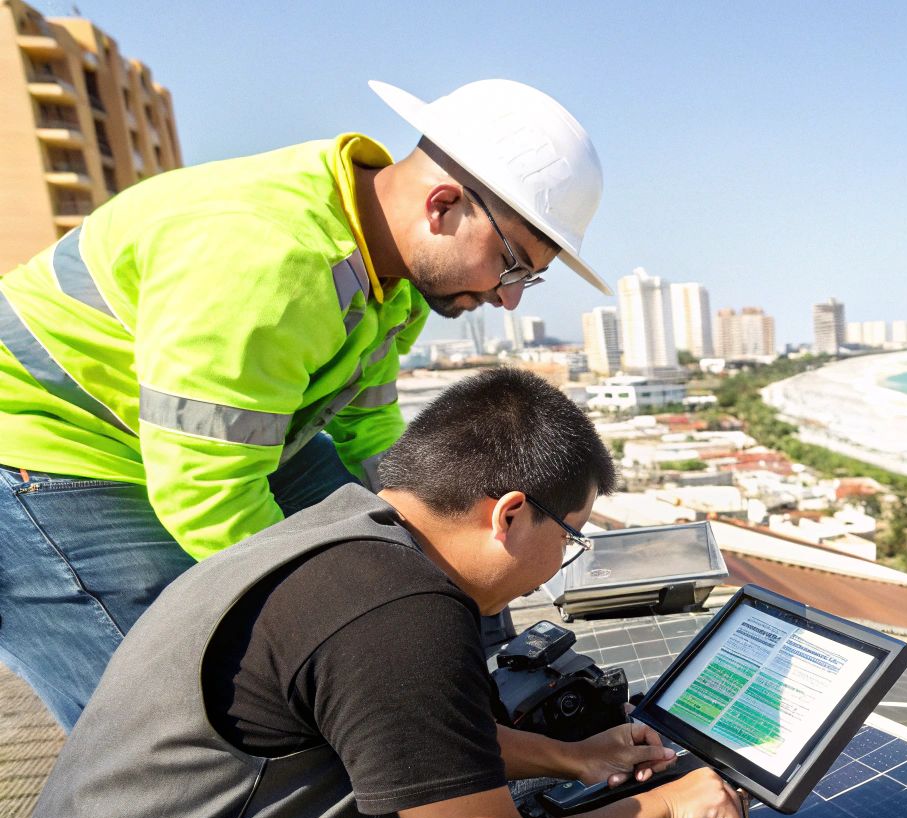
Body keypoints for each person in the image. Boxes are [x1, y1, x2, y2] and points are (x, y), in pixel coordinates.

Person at [0, 368, 743, 818]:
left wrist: (572, 758)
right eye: (570, 536)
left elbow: (418, 743)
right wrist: (665, 808)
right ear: (509, 514)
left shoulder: (338, 548)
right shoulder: (403, 612)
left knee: (487, 814)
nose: (559, 565)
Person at [0, 78, 613, 731]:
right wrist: (340, 619)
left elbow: (368, 426)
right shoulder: (267, 261)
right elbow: (207, 496)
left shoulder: (390, 274)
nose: (509, 297)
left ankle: (463, 726)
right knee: (176, 714)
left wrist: (443, 550)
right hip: (48, 453)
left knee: (413, 549)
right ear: (442, 206)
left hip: (212, 444)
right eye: (512, 265)